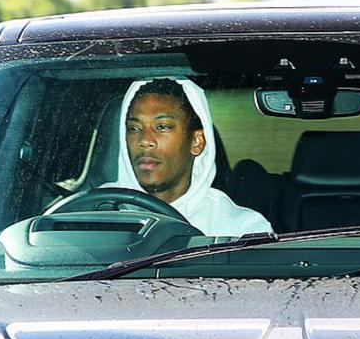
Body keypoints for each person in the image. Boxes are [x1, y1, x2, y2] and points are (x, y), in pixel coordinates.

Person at [106, 77, 273, 236]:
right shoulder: (97, 210)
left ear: (196, 142)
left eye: (162, 127)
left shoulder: (239, 228)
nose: (145, 141)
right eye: (134, 128)